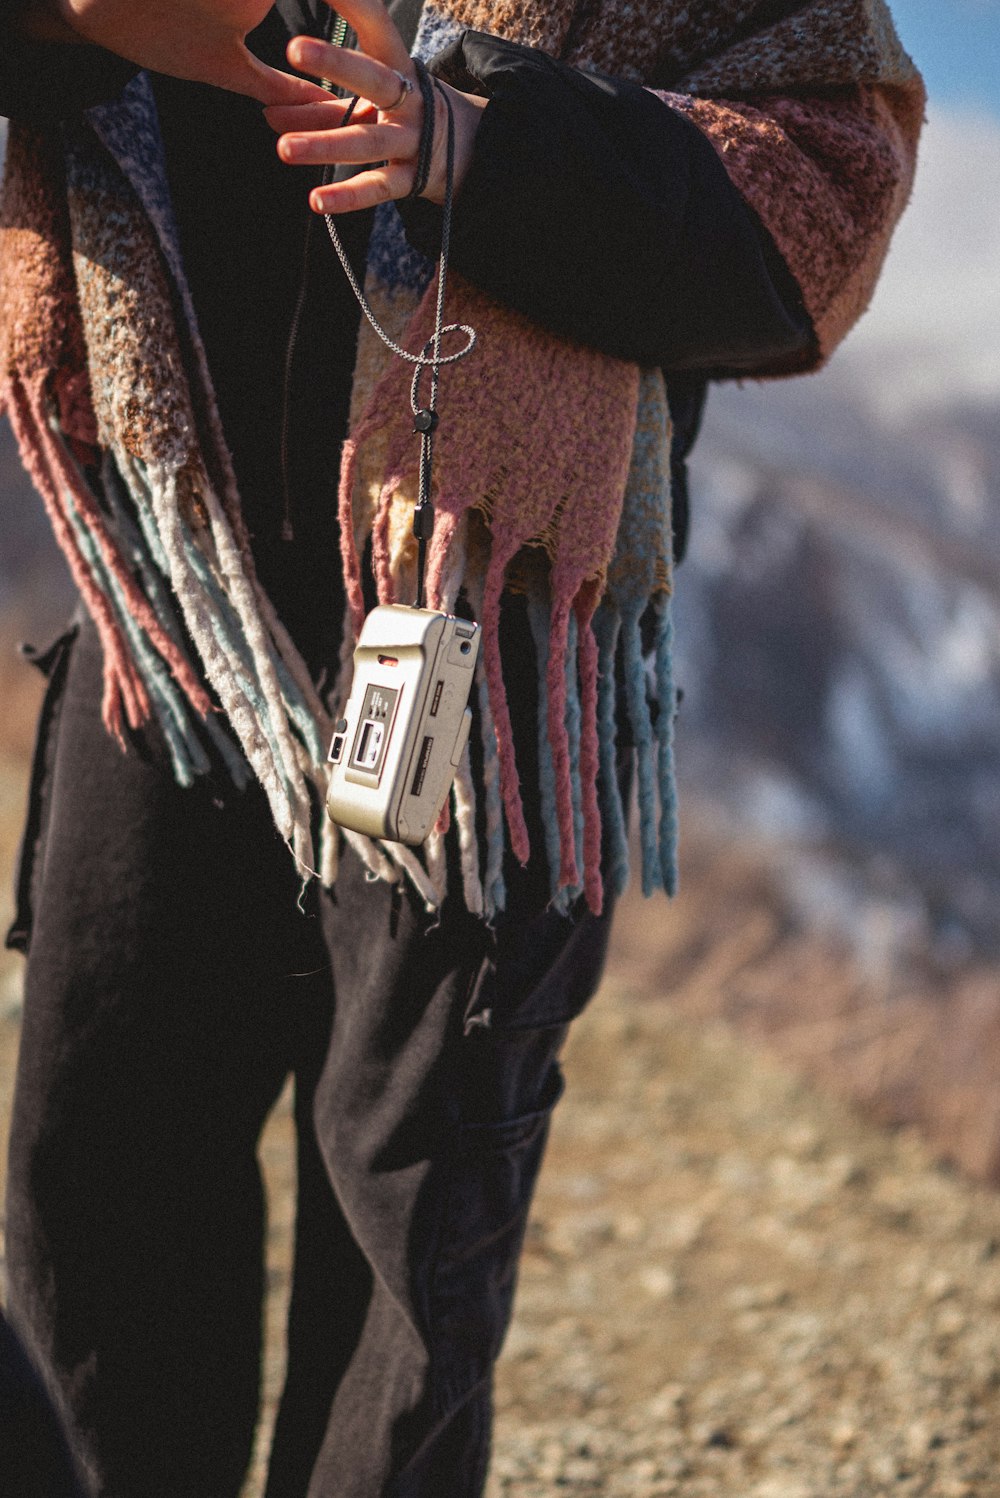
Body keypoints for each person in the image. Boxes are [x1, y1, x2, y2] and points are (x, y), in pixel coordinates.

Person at [0, 1, 923, 1494]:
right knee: (95, 1197)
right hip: (170, 620)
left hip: (484, 657)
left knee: (409, 1255)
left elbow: (821, 209)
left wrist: (478, 146)